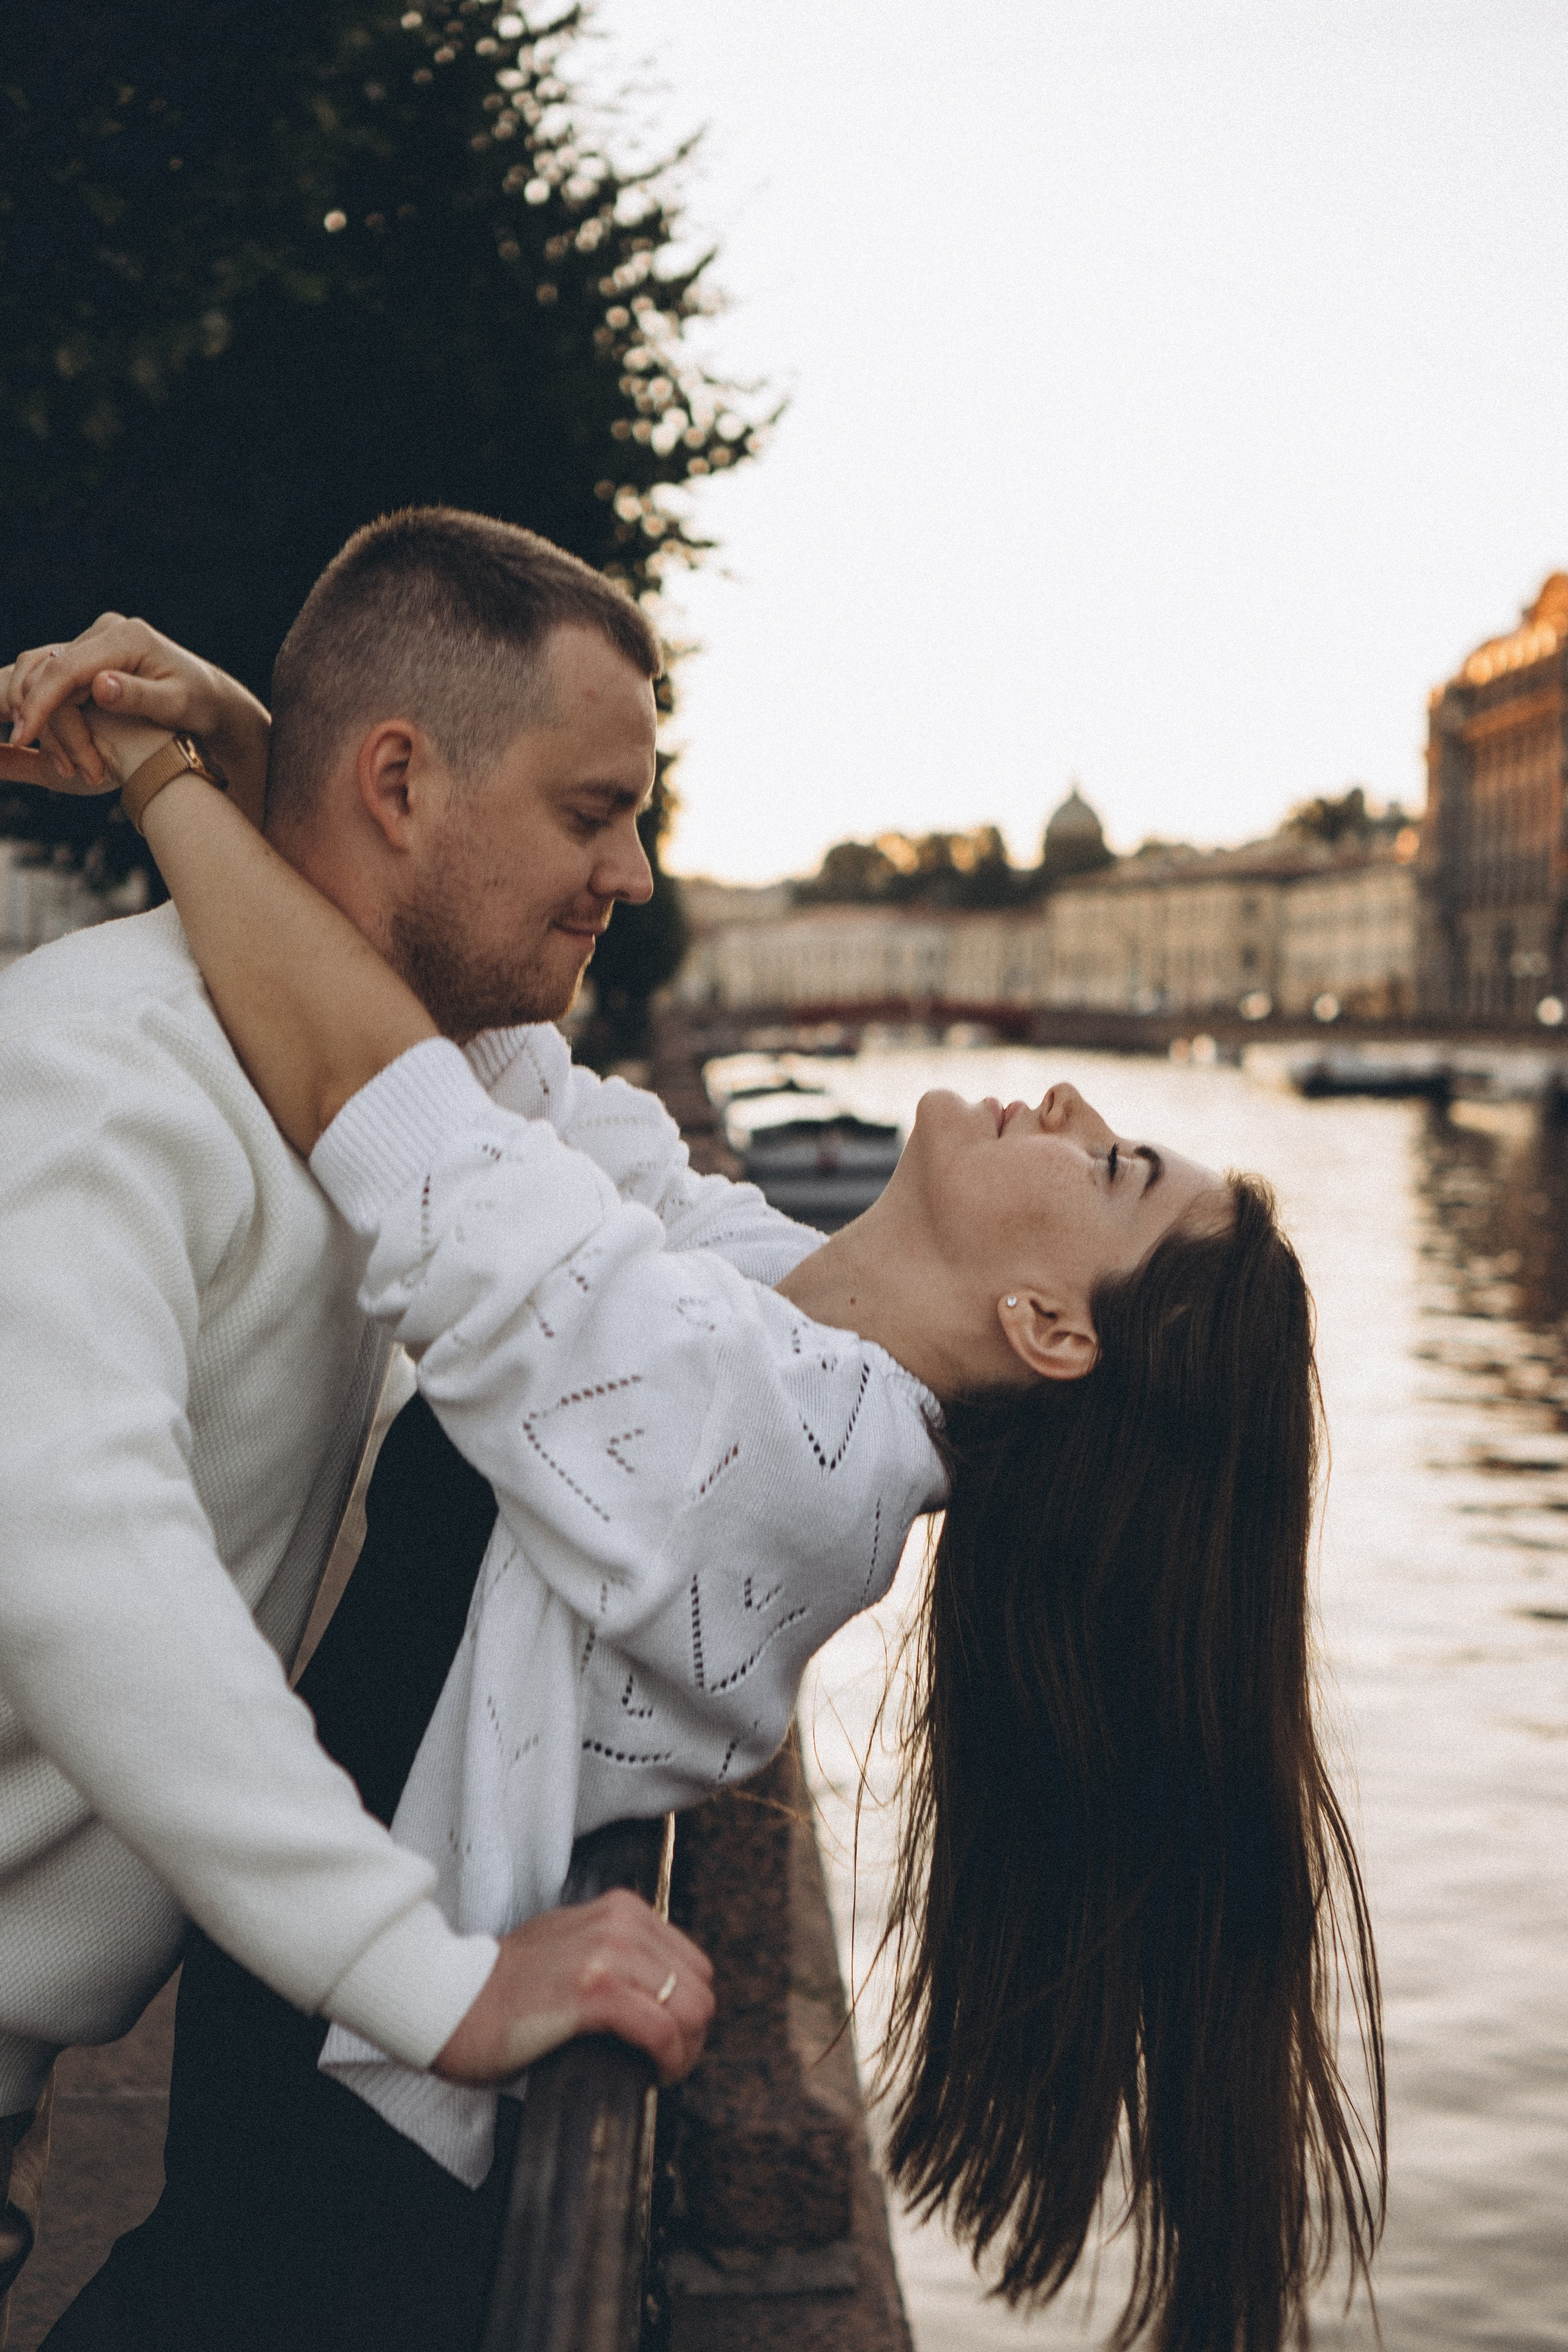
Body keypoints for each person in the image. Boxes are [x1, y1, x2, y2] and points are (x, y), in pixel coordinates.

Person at [31, 690, 1383, 2352]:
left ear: (1049, 1326)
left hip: (346, 2205)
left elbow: (394, 1110)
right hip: (306, 2102)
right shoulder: (779, 1317)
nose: (1067, 1107)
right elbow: (501, 1083)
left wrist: (163, 784)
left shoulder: (780, 1445)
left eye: (1113, 1172)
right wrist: (284, 774)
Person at [0, 510, 846, 2337]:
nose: (632, 872)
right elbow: (77, 1562)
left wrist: (233, 756)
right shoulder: (101, 1071)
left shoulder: (419, 1100)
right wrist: (423, 1974)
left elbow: (706, 1277)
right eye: (592, 811)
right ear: (399, 781)